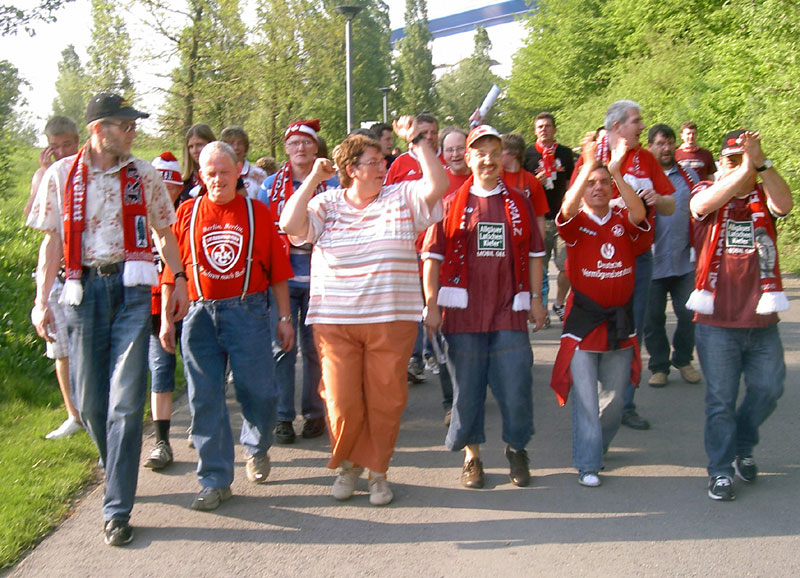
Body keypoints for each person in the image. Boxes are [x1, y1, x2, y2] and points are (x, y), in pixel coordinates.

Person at [27, 93, 189, 547]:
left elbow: (163, 232)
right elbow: (51, 245)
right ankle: (113, 459)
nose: (133, 132)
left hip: (133, 289)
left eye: (134, 125)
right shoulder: (61, 175)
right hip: (80, 291)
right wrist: (42, 301)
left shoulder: (144, 174)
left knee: (124, 402)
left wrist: (176, 279)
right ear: (101, 129)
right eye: (126, 124)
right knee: (92, 402)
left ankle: (116, 508)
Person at [279, 117, 448, 506]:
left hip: (391, 319)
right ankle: (348, 466)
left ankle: (377, 473)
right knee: (341, 400)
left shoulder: (401, 197)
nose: (383, 166)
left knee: (385, 401)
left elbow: (437, 185)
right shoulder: (326, 203)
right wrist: (313, 179)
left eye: (383, 159)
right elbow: (290, 224)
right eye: (373, 161)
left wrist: (418, 141)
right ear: (352, 169)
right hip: (335, 322)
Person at [163, 141, 294, 511]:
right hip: (198, 314)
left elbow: (279, 273)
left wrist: (284, 319)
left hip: (247, 311)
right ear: (200, 176)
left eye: (224, 172)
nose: (218, 179)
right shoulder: (186, 212)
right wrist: (165, 320)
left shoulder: (257, 212)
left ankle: (257, 445)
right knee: (204, 398)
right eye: (210, 173)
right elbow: (171, 272)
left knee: (261, 393)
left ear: (239, 171)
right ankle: (215, 479)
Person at [421, 125, 547, 490]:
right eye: (480, 153)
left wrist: (536, 301)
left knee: (516, 386)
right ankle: (472, 457)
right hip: (463, 316)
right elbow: (431, 258)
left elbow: (537, 255)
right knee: (467, 391)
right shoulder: (449, 204)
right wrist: (431, 304)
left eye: (494, 152)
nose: (488, 159)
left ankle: (516, 448)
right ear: (468, 158)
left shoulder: (519, 202)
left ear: (502, 157)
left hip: (508, 311)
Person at [687, 130, 791, 501]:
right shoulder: (705, 190)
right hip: (717, 324)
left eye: (743, 158)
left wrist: (761, 164)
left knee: (769, 389)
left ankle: (741, 445)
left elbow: (786, 204)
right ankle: (719, 471)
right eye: (731, 159)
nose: (739, 167)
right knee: (721, 399)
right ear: (721, 162)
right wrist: (743, 167)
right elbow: (706, 203)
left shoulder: (763, 193)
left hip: (761, 322)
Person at [550, 133, 651, 487]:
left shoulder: (623, 219)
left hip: (620, 321)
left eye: (603, 183)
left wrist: (615, 170)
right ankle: (588, 462)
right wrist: (588, 165)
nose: (598, 188)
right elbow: (564, 211)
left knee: (617, 398)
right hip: (583, 321)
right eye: (592, 183)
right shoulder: (576, 224)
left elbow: (640, 213)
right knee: (587, 401)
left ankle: (599, 445)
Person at [573, 100, 676, 431]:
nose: (642, 126)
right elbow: (571, 204)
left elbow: (672, 204)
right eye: (636, 121)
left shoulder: (646, 158)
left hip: (638, 259)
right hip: (596, 259)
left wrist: (652, 199)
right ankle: (592, 401)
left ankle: (624, 403)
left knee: (632, 329)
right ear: (616, 126)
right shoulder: (592, 158)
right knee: (595, 329)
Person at [257, 120, 339, 445]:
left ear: (316, 147)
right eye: (294, 144)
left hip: (321, 277)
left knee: (316, 350)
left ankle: (314, 413)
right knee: (282, 349)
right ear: (286, 149)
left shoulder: (332, 184)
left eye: (307, 143)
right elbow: (263, 229)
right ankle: (282, 417)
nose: (300, 149)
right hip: (282, 278)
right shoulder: (269, 185)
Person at [24, 116, 83, 440]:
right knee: (60, 348)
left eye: (67, 145)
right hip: (56, 273)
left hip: (83, 274)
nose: (61, 151)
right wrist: (42, 174)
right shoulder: (45, 175)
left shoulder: (89, 173)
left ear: (78, 141)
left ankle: (98, 419)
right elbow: (32, 216)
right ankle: (73, 415)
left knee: (91, 353)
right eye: (55, 146)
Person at [142, 152, 193, 470]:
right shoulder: (136, 218)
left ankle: (199, 424)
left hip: (185, 302)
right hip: (148, 307)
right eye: (159, 184)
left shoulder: (185, 217)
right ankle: (161, 442)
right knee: (160, 371)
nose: (164, 191)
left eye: (171, 186)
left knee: (195, 366)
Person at [643, 124, 702, 388]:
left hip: (684, 261)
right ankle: (659, 366)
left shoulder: (689, 177)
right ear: (650, 147)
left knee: (690, 314)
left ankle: (683, 359)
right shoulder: (640, 178)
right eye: (660, 144)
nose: (666, 149)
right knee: (653, 319)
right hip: (650, 265)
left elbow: (702, 213)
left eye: (669, 144)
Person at [523, 112, 575, 324]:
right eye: (540, 126)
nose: (544, 129)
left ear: (554, 129)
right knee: (539, 269)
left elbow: (572, 181)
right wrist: (535, 182)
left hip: (562, 218)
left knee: (567, 267)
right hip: (538, 219)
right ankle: (541, 311)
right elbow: (521, 187)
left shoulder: (564, 153)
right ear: (535, 131)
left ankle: (559, 303)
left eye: (547, 126)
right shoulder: (527, 155)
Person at [220, 125, 266, 198]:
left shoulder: (259, 174)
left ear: (246, 147)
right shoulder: (217, 174)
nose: (236, 147)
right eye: (231, 143)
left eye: (240, 143)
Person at [181, 123, 216, 197]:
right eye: (191, 147)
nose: (195, 150)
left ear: (211, 143)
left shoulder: (227, 176)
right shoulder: (185, 182)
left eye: (199, 145)